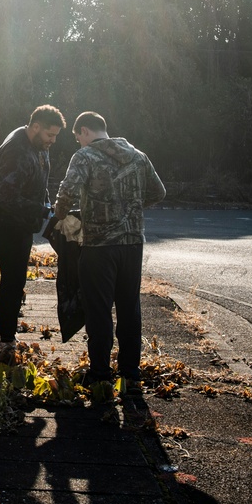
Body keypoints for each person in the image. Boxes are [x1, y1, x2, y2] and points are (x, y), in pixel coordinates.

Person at [53, 111, 166, 386]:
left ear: (83, 131)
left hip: (99, 246)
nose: (79, 143)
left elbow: (68, 192)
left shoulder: (85, 156)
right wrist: (131, 208)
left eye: (77, 137)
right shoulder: (138, 156)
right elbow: (159, 192)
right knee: (129, 308)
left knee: (99, 310)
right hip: (132, 244)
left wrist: (60, 213)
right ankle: (130, 373)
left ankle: (100, 374)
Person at [0, 105, 66, 357]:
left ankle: (3, 329)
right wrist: (42, 211)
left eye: (56, 136)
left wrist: (47, 203)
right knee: (13, 278)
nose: (53, 141)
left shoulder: (37, 145)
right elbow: (5, 197)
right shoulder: (16, 151)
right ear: (36, 126)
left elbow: (39, 179)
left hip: (20, 220)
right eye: (50, 135)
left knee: (16, 276)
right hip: (4, 221)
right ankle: (6, 338)